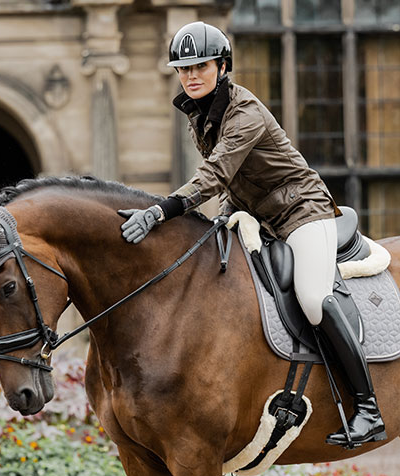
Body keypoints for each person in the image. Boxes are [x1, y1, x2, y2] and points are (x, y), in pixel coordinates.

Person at [117, 21, 385, 447]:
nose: (190, 75)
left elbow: (215, 172)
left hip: (302, 211)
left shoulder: (245, 111)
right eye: (182, 68)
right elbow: (232, 182)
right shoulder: (199, 112)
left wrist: (160, 211)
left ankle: (368, 408)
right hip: (258, 214)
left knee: (314, 296)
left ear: (223, 66)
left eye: (200, 66)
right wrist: (224, 215)